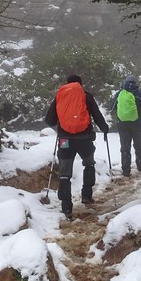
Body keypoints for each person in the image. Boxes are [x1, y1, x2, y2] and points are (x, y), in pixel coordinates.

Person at [44, 74, 110, 219]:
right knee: (89, 164)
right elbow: (97, 115)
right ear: (80, 84)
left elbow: (49, 120)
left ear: (66, 84)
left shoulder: (60, 96)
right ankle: (86, 195)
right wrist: (104, 128)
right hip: (84, 139)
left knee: (65, 173)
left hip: (65, 140)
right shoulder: (86, 96)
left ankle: (66, 207)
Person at [109, 74, 141, 177]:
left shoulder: (120, 93)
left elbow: (112, 107)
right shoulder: (136, 93)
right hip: (136, 123)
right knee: (138, 145)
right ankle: (140, 166)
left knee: (125, 146)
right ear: (134, 83)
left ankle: (126, 170)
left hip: (122, 124)